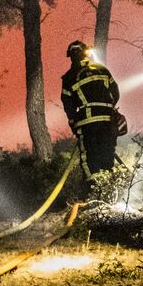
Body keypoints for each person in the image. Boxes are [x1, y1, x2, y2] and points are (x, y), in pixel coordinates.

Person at [60, 40, 121, 192]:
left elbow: (68, 104)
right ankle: (109, 192)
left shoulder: (69, 77)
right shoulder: (102, 69)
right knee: (107, 155)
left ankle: (94, 193)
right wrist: (107, 108)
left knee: (89, 157)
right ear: (86, 53)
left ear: (70, 56)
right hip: (108, 121)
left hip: (87, 123)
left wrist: (73, 122)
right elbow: (115, 93)